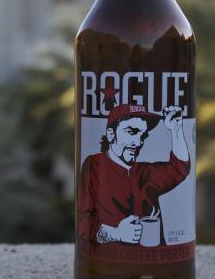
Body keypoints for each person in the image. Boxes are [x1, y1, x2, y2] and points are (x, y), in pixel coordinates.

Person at [77, 104, 190, 245]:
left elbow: (180, 168)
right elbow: (83, 221)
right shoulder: (94, 165)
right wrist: (116, 234)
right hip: (110, 255)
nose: (138, 142)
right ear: (111, 135)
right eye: (131, 132)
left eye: (143, 135)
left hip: (154, 256)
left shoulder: (144, 172)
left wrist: (176, 129)